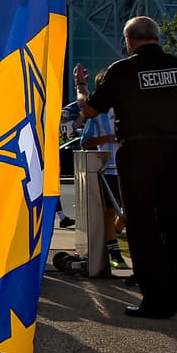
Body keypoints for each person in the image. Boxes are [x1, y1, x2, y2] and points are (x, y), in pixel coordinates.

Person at [75, 15, 177, 318]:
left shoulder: (122, 70)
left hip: (138, 153)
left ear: (129, 41)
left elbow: (90, 109)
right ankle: (176, 296)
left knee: (142, 226)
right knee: (175, 224)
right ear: (157, 37)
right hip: (176, 151)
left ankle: (154, 300)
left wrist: (81, 86)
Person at [79, 72, 126, 270]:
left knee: (130, 211)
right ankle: (114, 251)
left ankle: (113, 236)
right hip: (109, 169)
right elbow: (85, 141)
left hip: (131, 166)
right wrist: (108, 138)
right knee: (109, 211)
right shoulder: (99, 114)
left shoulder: (128, 107)